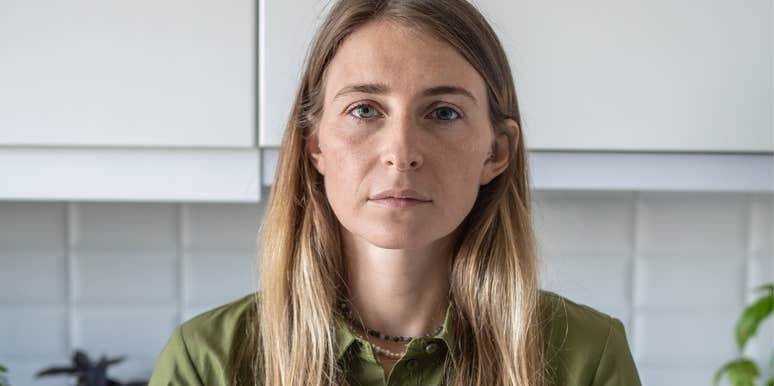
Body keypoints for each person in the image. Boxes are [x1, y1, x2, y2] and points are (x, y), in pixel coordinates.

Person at [148, 0, 643, 385]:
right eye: (365, 109)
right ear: (315, 145)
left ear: (496, 151)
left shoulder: (588, 356)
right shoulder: (206, 362)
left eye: (443, 113)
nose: (401, 152)